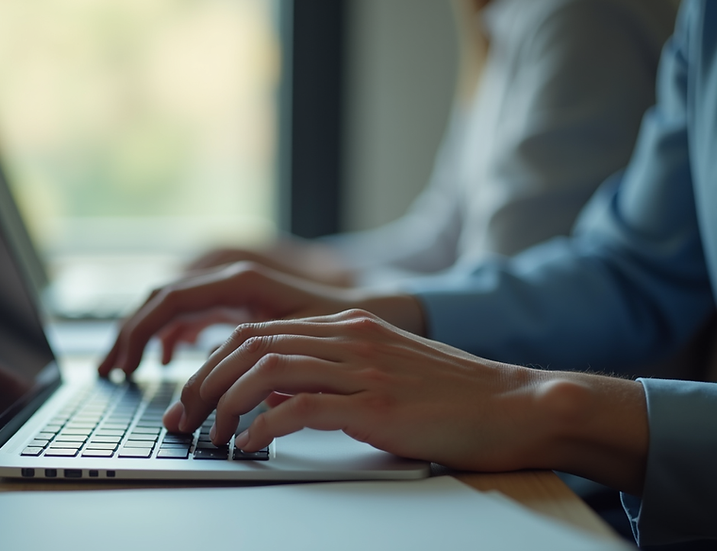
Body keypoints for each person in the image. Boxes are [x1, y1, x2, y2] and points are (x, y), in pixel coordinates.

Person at [98, 0, 717, 546]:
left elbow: (510, 260)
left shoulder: (579, 17)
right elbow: (635, 268)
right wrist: (354, 302)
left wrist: (544, 403)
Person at [188, 0, 676, 290]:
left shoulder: (579, 19)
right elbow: (443, 239)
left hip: (563, 434)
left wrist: (317, 292)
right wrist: (291, 265)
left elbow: (504, 287)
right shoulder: (503, 23)